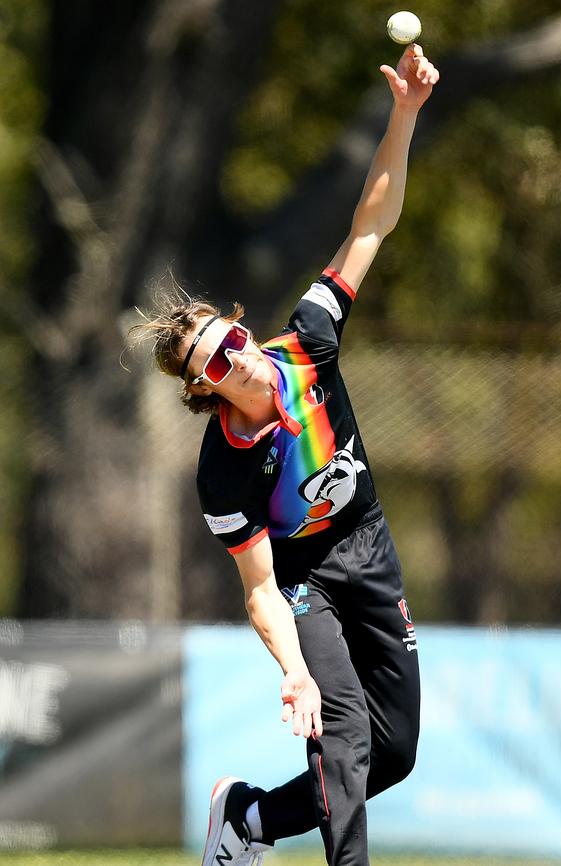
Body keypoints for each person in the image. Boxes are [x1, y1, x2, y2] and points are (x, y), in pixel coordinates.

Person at [133, 43, 438, 866]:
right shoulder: (222, 468)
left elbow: (370, 221)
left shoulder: (306, 342)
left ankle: (250, 820)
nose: (233, 356)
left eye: (229, 337)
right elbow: (262, 587)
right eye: (213, 361)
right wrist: (293, 669)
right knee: (340, 724)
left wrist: (403, 115)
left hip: (368, 549)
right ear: (204, 389)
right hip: (305, 581)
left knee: (394, 750)